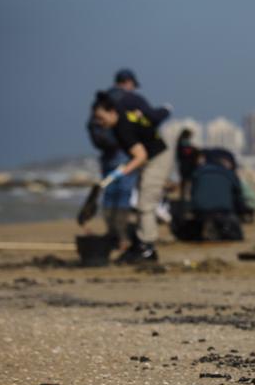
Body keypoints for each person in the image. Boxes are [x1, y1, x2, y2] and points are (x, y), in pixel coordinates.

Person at [91, 91, 172, 263]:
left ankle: (147, 249)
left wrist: (119, 173)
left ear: (111, 112)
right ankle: (142, 243)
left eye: (100, 117)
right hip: (153, 156)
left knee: (144, 204)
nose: (99, 122)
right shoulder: (122, 115)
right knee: (142, 202)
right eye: (96, 118)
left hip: (157, 158)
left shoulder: (122, 127)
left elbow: (140, 155)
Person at [188, 152, 245, 241]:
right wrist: (242, 211)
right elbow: (238, 195)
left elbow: (193, 192)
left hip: (200, 210)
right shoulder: (229, 174)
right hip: (223, 211)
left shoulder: (198, 172)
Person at [176, 128, 199, 202]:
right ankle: (186, 198)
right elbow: (190, 152)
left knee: (184, 183)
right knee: (189, 183)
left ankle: (183, 198)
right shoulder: (184, 144)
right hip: (188, 167)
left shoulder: (180, 143)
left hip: (184, 166)